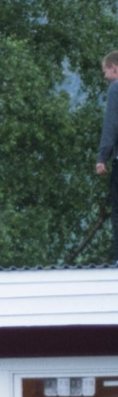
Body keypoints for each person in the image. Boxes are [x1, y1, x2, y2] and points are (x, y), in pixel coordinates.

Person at [96, 50, 118, 266]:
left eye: (106, 72)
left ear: (115, 68)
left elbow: (112, 124)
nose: (105, 77)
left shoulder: (116, 88)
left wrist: (102, 157)